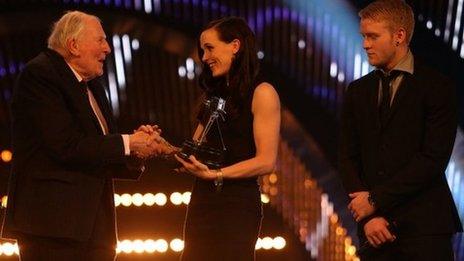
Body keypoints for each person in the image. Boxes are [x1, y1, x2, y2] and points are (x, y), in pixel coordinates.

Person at [1, 11, 167, 260]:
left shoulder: (93, 86)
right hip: (53, 229)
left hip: (94, 229)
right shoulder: (40, 75)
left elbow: (98, 149)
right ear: (73, 45)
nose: (108, 48)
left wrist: (135, 148)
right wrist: (128, 142)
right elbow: (65, 146)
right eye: (100, 40)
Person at [339, 0, 463, 259]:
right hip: (374, 232)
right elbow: (347, 156)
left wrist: (374, 201)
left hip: (425, 229)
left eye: (373, 36)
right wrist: (367, 219)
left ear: (399, 36)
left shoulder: (438, 87)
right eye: (364, 36)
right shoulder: (357, 91)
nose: (365, 45)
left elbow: (433, 160)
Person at [174, 17, 280, 260]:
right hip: (202, 200)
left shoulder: (262, 92)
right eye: (202, 50)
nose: (204, 57)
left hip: (237, 205)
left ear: (235, 45)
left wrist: (216, 174)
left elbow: (266, 161)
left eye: (210, 48)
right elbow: (194, 150)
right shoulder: (213, 95)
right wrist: (161, 146)